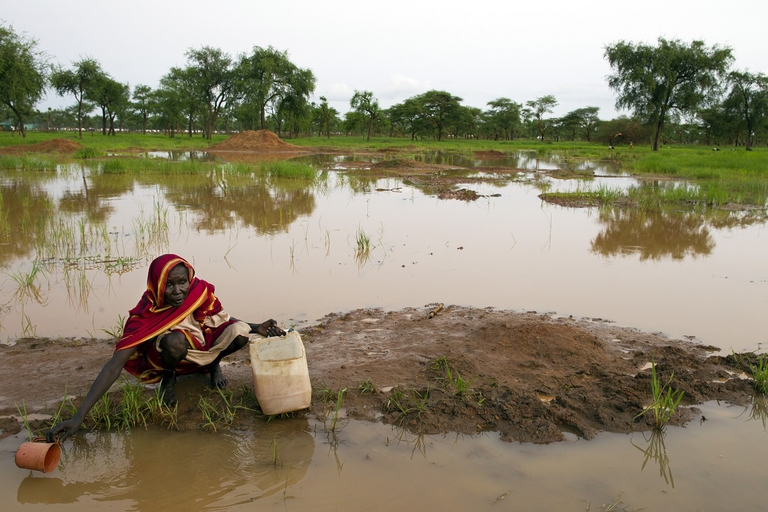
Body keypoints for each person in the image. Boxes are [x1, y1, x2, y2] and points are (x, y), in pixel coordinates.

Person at [48, 253, 284, 442]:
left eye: (182, 282)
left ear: (189, 279)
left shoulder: (198, 291)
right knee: (174, 341)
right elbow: (114, 366)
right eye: (169, 284)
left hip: (201, 347)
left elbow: (222, 319)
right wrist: (79, 417)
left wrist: (256, 327)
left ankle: (213, 366)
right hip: (172, 355)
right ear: (157, 284)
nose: (178, 290)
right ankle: (169, 380)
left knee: (241, 331)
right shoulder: (147, 312)